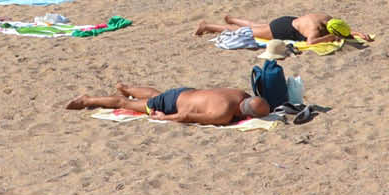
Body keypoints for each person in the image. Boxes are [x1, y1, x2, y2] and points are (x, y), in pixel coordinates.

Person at [65, 83, 269, 125]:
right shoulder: (222, 115)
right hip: (173, 104)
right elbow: (185, 116)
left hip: (185, 92)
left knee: (156, 95)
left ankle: (127, 86)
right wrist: (164, 117)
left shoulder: (238, 93)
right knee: (125, 103)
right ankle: (87, 100)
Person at [193, 12, 352, 45]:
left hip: (288, 20)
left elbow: (343, 30)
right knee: (246, 32)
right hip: (282, 30)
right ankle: (208, 26)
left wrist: (356, 33)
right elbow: (311, 42)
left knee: (257, 26)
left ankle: (232, 18)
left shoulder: (326, 18)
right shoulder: (315, 30)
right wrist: (330, 38)